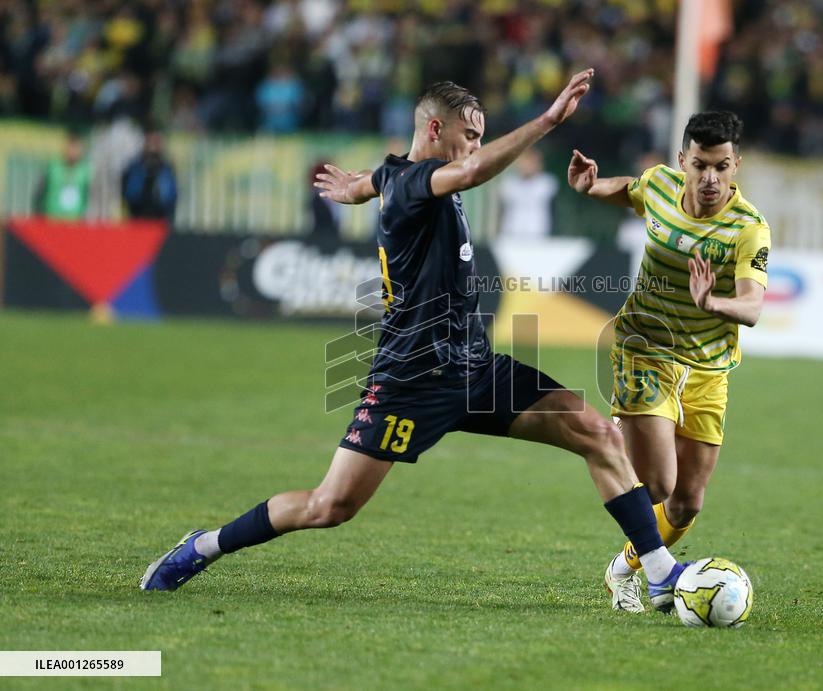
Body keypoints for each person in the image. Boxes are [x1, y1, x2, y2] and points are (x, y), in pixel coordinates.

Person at [140, 70, 690, 613]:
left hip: (475, 369)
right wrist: (547, 120)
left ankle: (662, 576)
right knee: (329, 506)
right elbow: (467, 172)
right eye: (468, 134)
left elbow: (370, 181)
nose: (473, 145)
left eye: (478, 135)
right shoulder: (415, 184)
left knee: (596, 433)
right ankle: (203, 545)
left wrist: (353, 189)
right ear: (433, 130)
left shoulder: (393, 176)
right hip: (411, 380)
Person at [567, 111, 770, 613]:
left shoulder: (749, 229)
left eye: (722, 167)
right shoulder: (660, 185)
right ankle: (661, 573)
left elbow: (753, 306)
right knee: (657, 483)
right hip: (644, 348)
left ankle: (623, 570)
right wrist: (593, 187)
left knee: (686, 503)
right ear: (683, 160)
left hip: (708, 369)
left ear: (736, 165)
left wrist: (713, 304)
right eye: (700, 165)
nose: (710, 179)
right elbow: (629, 190)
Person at [121, 127, 178, 223]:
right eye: (151, 140)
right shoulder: (135, 166)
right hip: (138, 216)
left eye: (156, 140)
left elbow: (171, 195)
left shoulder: (166, 168)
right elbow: (129, 191)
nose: (153, 144)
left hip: (160, 217)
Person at [498, 148, 558, 239]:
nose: (527, 166)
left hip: (538, 232)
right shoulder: (508, 184)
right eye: (524, 162)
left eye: (530, 163)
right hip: (512, 232)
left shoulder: (546, 183)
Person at [34, 132, 91, 220]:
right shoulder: (52, 167)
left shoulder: (85, 171)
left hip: (74, 224)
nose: (73, 151)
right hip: (51, 222)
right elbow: (39, 193)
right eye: (71, 146)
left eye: (76, 147)